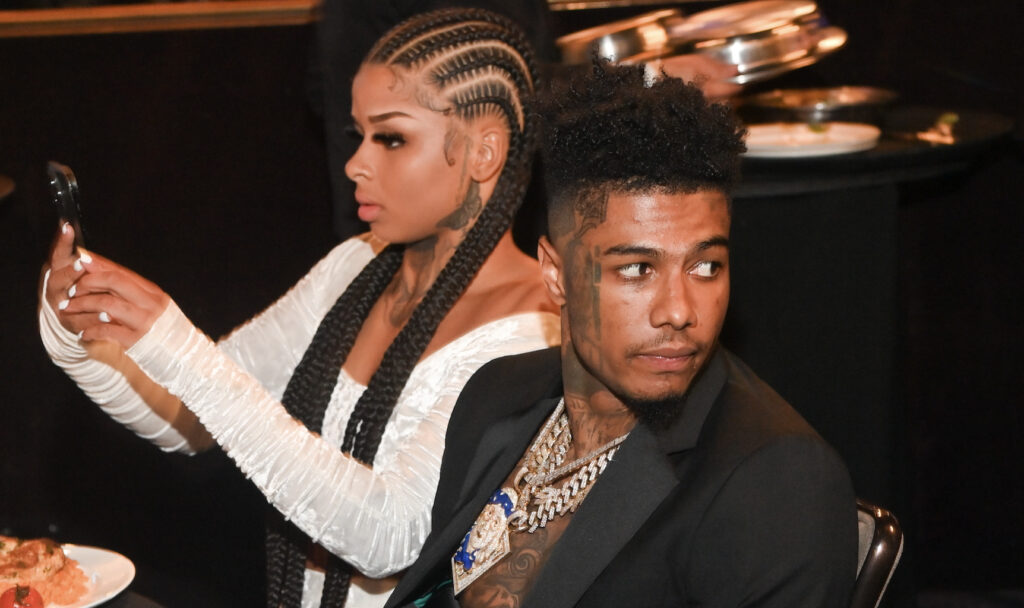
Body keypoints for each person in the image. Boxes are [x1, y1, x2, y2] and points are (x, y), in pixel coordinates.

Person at [38, 9, 559, 608]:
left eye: (391, 137)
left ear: (484, 151)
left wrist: (178, 349)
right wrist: (81, 331)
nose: (356, 164)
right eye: (357, 135)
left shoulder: (534, 329)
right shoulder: (356, 266)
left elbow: (391, 534)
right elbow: (191, 418)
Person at [383, 60, 858, 608]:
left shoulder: (777, 481)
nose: (679, 311)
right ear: (555, 274)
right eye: (636, 269)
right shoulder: (495, 396)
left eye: (706, 266)